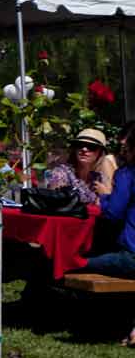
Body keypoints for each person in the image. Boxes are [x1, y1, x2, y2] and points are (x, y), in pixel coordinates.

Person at [81, 127, 135, 345]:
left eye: (125, 148)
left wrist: (104, 197)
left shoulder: (127, 173)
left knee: (75, 263)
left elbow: (113, 213)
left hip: (131, 256)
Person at [44, 129, 117, 203]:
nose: (84, 149)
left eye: (91, 147)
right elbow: (54, 203)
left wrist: (105, 194)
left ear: (100, 152)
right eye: (80, 145)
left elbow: (114, 203)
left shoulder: (100, 174)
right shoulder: (61, 173)